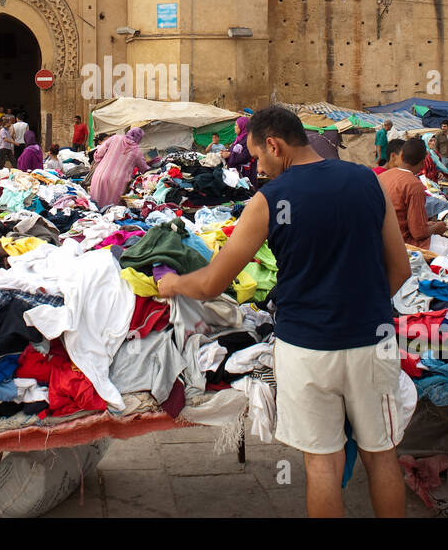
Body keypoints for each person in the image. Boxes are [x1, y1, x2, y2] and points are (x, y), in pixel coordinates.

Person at [158, 106, 410, 518]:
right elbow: (398, 270)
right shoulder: (367, 179)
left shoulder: (269, 200)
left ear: (274, 145)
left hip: (306, 348)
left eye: (258, 156)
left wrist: (172, 284)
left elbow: (211, 284)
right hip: (373, 341)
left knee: (322, 463)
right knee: (381, 456)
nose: (258, 167)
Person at [380, 139, 448, 251]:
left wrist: (427, 225)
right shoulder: (413, 184)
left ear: (401, 156)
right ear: (423, 163)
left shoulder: (383, 176)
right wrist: (437, 227)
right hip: (403, 244)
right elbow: (418, 233)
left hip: (382, 239)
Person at [90, 127, 149, 208]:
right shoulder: (136, 151)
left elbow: (99, 152)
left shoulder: (115, 138)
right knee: (109, 206)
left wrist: (101, 160)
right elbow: (144, 169)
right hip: (116, 181)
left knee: (94, 203)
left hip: (99, 174)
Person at [226, 115, 258, 187]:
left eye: (236, 125)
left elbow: (245, 157)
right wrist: (226, 153)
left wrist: (229, 155)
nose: (234, 127)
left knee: (247, 194)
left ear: (242, 126)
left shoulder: (249, 140)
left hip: (246, 174)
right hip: (236, 174)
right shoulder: (238, 139)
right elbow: (232, 151)